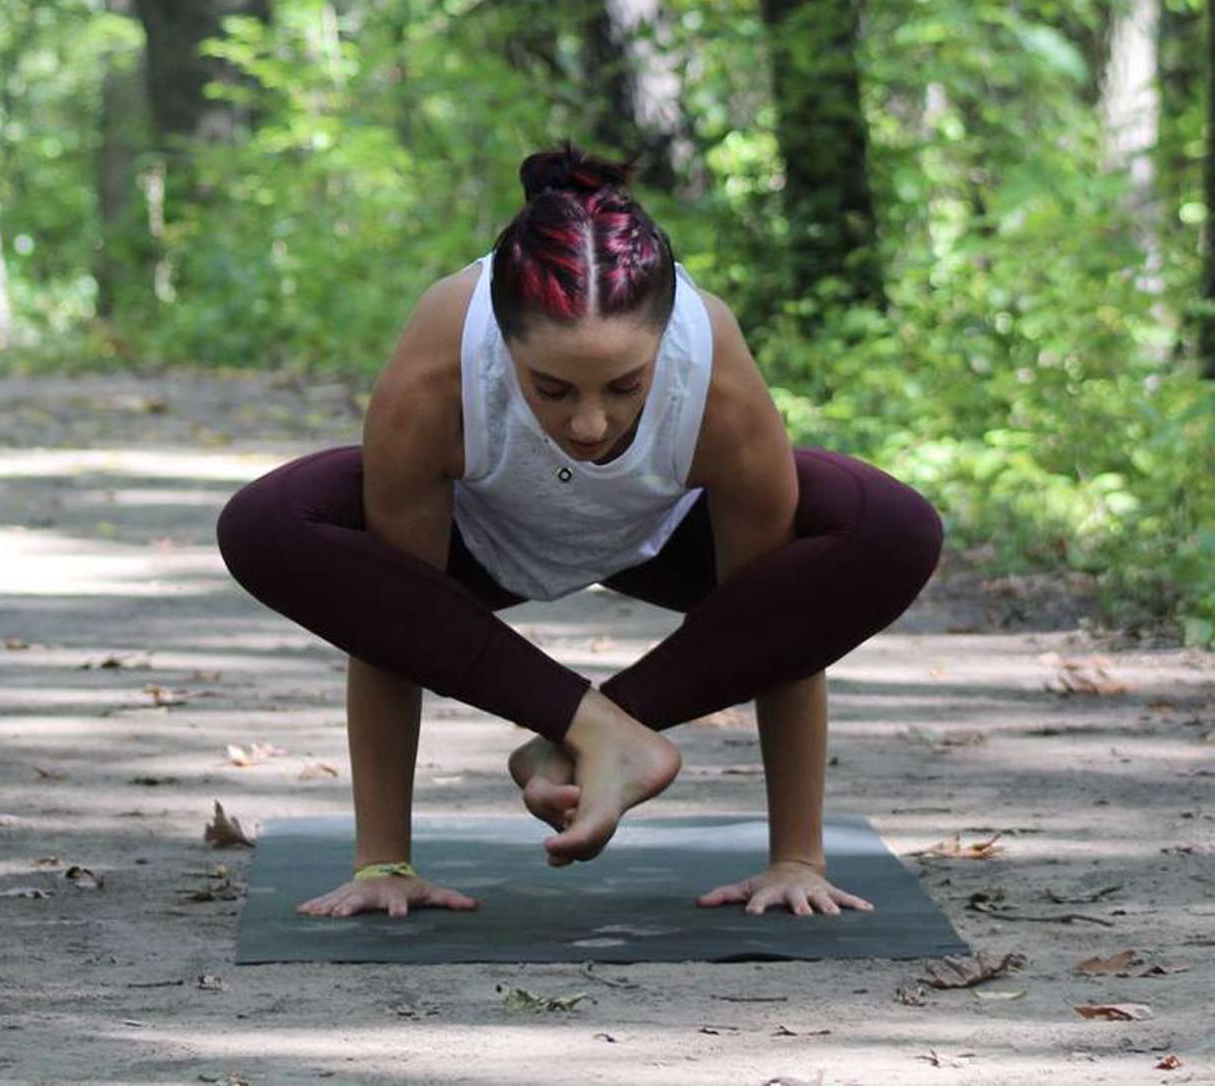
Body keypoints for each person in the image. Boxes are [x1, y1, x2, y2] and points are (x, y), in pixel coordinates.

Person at [216, 140, 943, 922]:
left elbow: (781, 622)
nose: (590, 422)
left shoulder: (716, 375)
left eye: (626, 387)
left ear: (665, 342)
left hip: (660, 541)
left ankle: (593, 735)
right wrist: (384, 863)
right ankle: (596, 729)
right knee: (267, 524)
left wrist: (796, 857)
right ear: (503, 345)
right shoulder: (441, 362)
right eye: (552, 389)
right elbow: (392, 622)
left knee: (892, 527)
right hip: (482, 542)